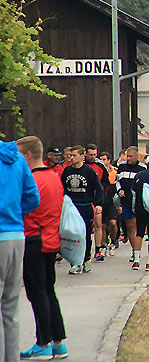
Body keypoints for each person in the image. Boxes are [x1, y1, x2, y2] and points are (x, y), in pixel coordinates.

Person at [16, 137, 68, 360]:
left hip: (34, 238)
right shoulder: (53, 176)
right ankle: (58, 342)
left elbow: (23, 208)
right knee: (48, 291)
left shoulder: (31, 180)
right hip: (50, 238)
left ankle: (43, 342)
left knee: (37, 293)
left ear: (27, 155)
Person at [0, 139, 40, 360]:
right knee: (11, 307)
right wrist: (14, 212)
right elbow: (33, 197)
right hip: (16, 234)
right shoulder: (17, 158)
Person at [60, 145, 103, 274]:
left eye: (74, 155)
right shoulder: (67, 171)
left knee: (85, 235)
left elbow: (99, 189)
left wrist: (98, 204)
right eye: (70, 155)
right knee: (71, 234)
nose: (71, 158)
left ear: (82, 156)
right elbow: (62, 188)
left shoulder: (89, 171)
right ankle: (75, 262)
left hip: (85, 206)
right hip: (71, 208)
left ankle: (86, 259)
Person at [115, 147, 146, 267]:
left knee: (136, 225)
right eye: (127, 156)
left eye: (130, 156)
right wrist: (119, 190)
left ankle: (137, 250)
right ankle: (135, 251)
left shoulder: (142, 168)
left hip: (137, 202)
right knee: (130, 226)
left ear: (137, 156)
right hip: (126, 201)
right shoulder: (122, 167)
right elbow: (117, 181)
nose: (128, 159)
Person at [84, 144, 110, 262]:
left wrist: (100, 189)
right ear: (85, 153)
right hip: (84, 198)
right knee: (86, 227)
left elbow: (106, 181)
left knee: (98, 224)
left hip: (97, 199)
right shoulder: (82, 164)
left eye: (95, 154)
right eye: (90, 155)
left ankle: (98, 249)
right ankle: (85, 250)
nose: (93, 157)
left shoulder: (100, 165)